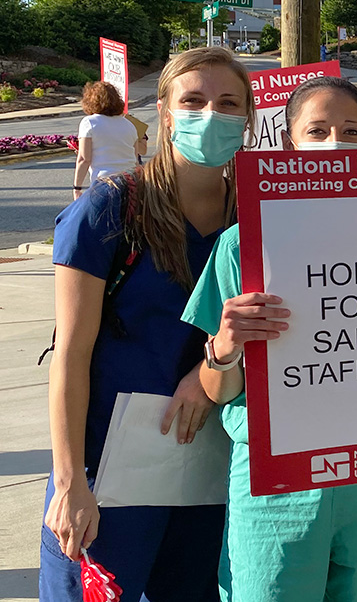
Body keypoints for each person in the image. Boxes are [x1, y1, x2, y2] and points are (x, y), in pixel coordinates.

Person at [181, 75, 357, 602]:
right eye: (317, 131)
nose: (335, 143)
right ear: (289, 145)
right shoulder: (243, 245)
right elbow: (218, 390)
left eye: (351, 130)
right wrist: (224, 348)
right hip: (279, 478)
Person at [39, 47, 250, 601]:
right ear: (163, 110)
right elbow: (71, 354)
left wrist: (208, 375)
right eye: (193, 100)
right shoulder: (110, 209)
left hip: (213, 472)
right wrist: (70, 484)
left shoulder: (259, 217)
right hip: (108, 477)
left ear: (248, 118)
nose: (211, 114)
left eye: (228, 103)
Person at [72, 81, 138, 200]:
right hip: (130, 183)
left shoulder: (89, 122)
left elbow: (84, 159)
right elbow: (135, 158)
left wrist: (77, 188)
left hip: (104, 184)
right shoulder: (129, 125)